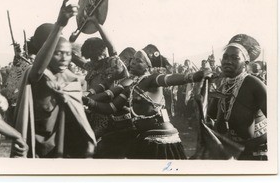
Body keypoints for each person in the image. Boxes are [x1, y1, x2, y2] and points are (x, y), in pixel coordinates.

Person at [83, 45, 212, 159]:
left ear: (148, 66)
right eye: (133, 59)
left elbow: (170, 79)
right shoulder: (131, 86)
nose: (132, 62)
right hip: (145, 137)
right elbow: (111, 108)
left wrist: (194, 76)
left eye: (138, 60)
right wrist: (86, 101)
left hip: (160, 140)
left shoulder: (152, 79)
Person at [12, 0, 96, 158]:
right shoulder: (36, 75)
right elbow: (38, 70)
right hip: (36, 150)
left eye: (68, 53)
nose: (65, 58)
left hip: (65, 151)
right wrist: (59, 25)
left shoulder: (72, 80)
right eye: (58, 53)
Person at [208, 34, 267, 160]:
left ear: (245, 63)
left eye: (235, 58)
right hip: (233, 152)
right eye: (225, 57)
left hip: (258, 154)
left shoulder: (254, 84)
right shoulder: (223, 84)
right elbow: (211, 116)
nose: (228, 61)